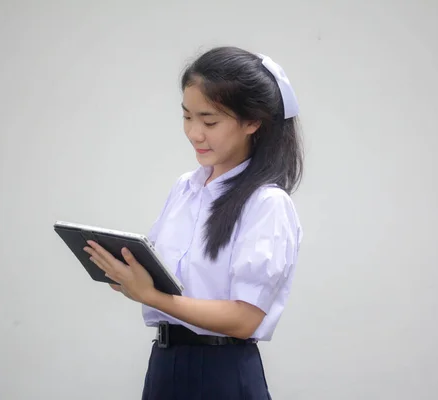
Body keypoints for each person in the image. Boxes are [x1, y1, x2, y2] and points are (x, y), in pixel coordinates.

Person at [83, 46, 303, 399]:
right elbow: (168, 278)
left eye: (210, 121)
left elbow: (245, 319)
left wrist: (150, 295)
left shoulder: (267, 204)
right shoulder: (186, 188)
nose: (195, 133)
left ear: (253, 122)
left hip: (221, 371)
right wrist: (127, 276)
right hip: (165, 364)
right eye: (187, 117)